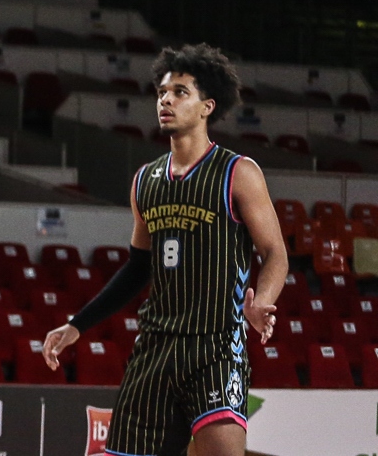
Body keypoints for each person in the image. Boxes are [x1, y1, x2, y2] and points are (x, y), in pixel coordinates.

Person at [43, 45, 287, 456]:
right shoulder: (145, 180)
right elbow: (138, 269)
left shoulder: (238, 173)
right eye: (161, 93)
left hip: (216, 346)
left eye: (179, 92)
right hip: (155, 348)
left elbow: (275, 252)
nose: (165, 100)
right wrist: (77, 325)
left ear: (208, 106)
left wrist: (261, 302)